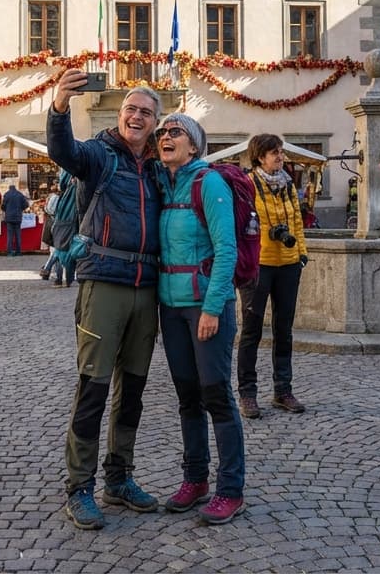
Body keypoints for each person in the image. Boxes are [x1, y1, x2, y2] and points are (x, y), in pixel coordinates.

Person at [47, 71, 163, 531]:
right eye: (131, 109)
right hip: (105, 282)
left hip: (147, 286)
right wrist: (59, 107)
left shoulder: (157, 167)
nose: (137, 117)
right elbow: (63, 151)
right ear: (120, 114)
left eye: (146, 112)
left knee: (132, 390)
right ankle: (79, 487)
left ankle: (119, 477)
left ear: (155, 122)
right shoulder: (99, 154)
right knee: (93, 389)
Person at [152, 113, 247, 524]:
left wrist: (211, 308)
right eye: (162, 132)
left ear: (194, 145)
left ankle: (231, 489)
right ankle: (195, 479)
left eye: (175, 132)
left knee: (216, 396)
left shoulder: (209, 183)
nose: (165, 136)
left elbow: (227, 249)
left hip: (206, 307)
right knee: (187, 397)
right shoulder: (164, 184)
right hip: (171, 308)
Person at [236, 133, 309, 421]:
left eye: (281, 152)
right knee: (251, 331)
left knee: (284, 330)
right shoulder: (248, 184)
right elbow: (241, 222)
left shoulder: (288, 184)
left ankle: (283, 390)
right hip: (259, 265)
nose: (280, 157)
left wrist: (301, 252)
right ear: (260, 157)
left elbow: (297, 222)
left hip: (288, 264)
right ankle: (247, 393)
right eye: (274, 152)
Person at [40, 181, 63, 280]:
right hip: (61, 225)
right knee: (58, 250)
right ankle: (55, 274)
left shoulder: (54, 197)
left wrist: (46, 208)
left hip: (54, 225)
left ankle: (49, 270)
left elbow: (49, 210)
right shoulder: (63, 197)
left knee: (56, 250)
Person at [1, 181, 29, 256]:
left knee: (10, 236)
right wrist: (21, 209)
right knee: (18, 235)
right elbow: (26, 205)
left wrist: (6, 210)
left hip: (9, 218)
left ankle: (9, 252)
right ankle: (18, 251)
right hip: (18, 217)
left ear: (9, 187)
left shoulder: (6, 194)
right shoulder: (20, 194)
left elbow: (3, 206)